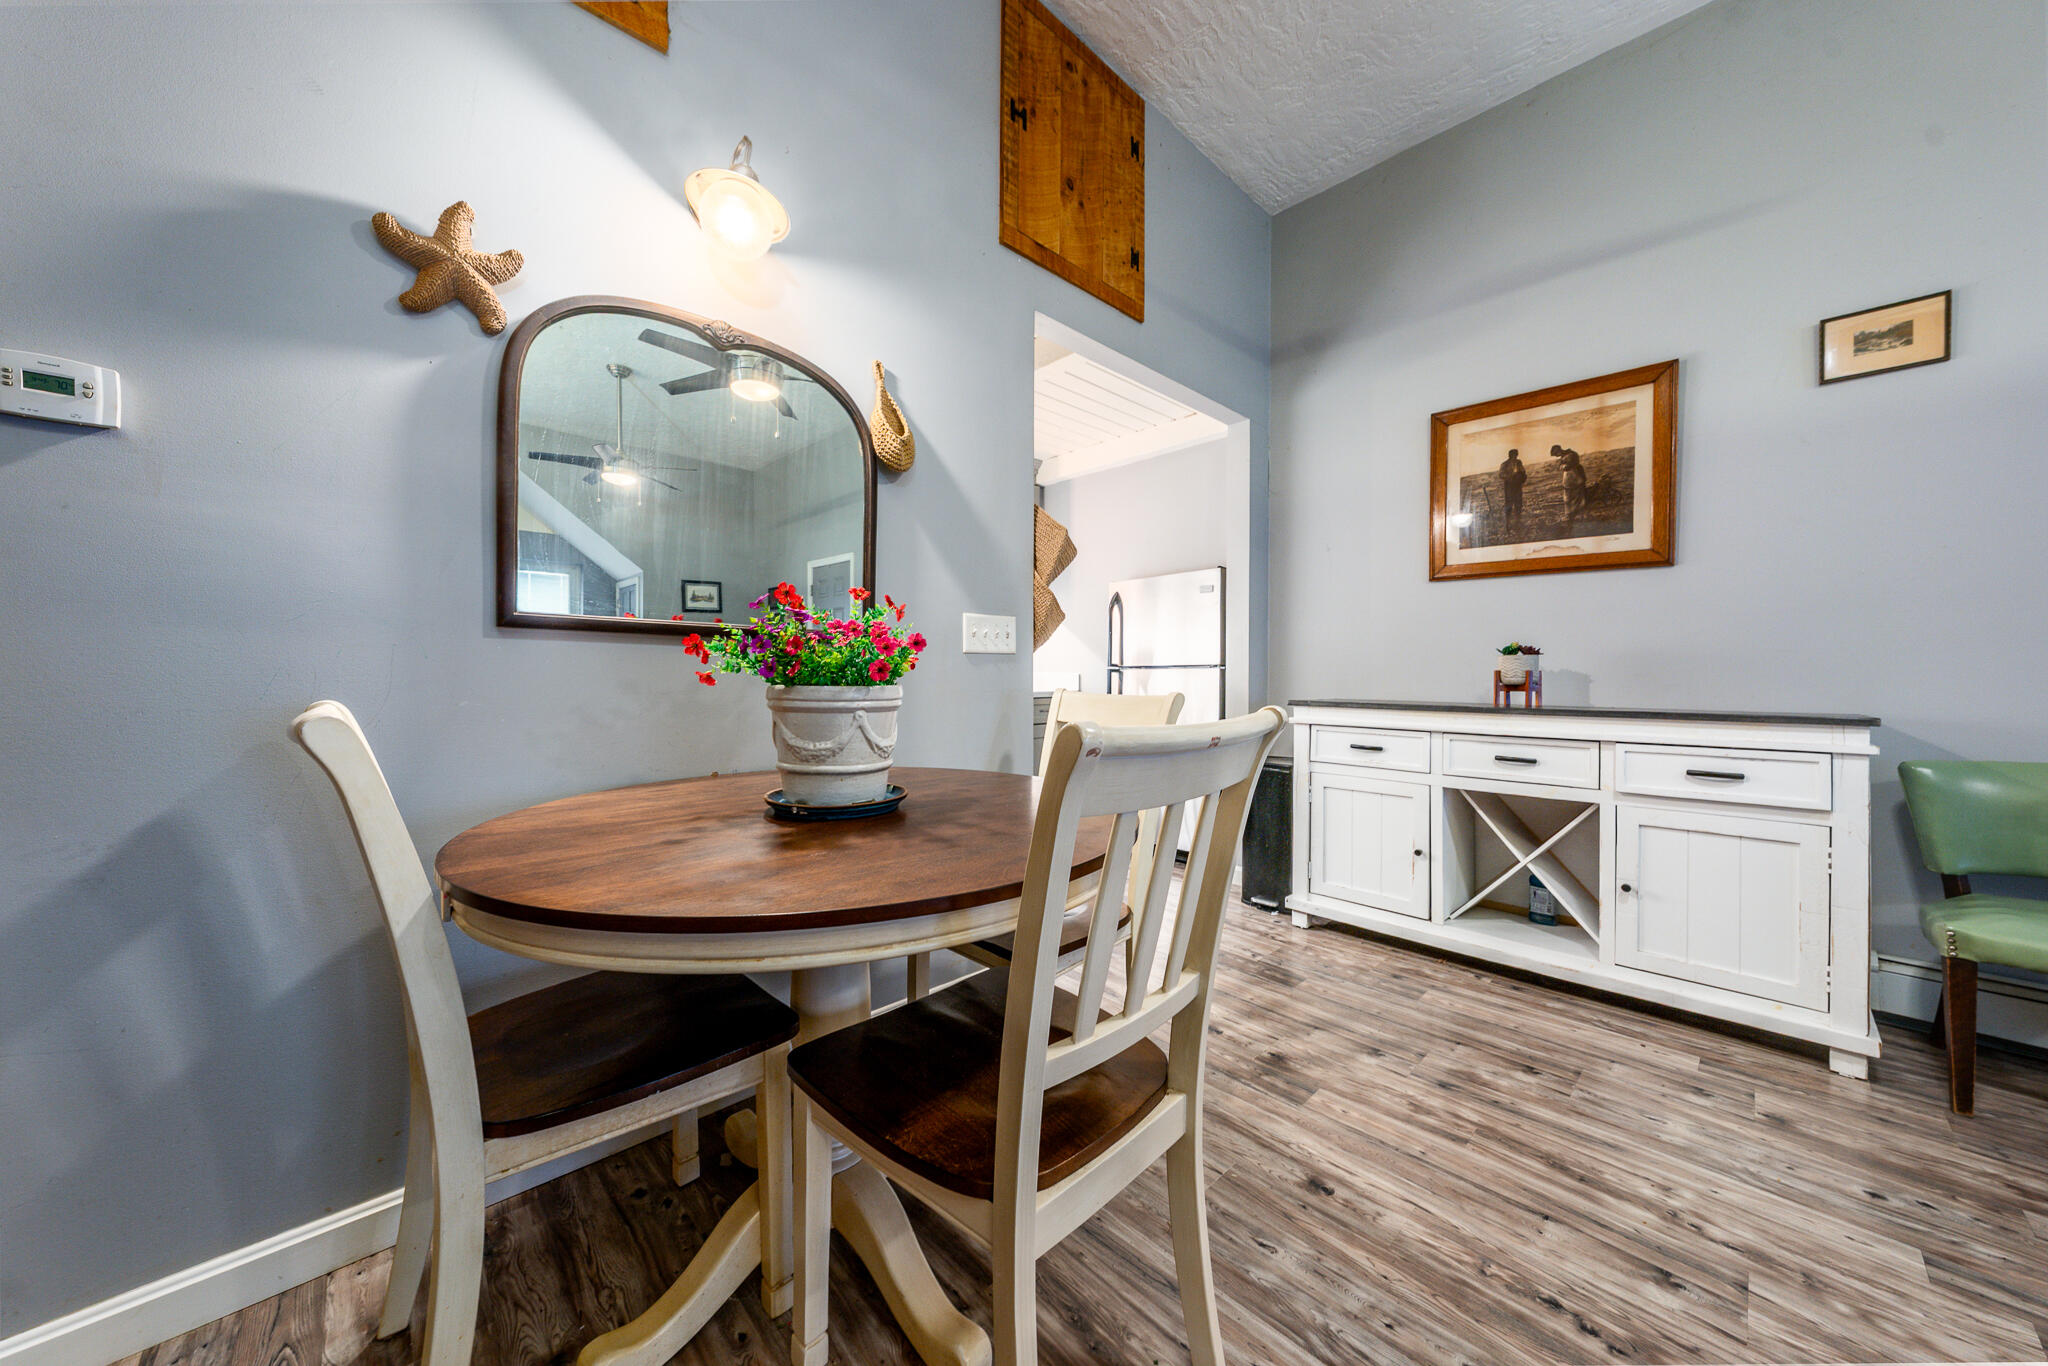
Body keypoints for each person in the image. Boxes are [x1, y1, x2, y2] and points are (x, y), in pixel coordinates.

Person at [1557, 445, 1588, 519]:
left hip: (1575, 477)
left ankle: (1581, 515)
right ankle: (1570, 514)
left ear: (1559, 451)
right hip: (1568, 480)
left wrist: (1564, 466)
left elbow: (1570, 465)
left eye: (1557, 454)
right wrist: (1562, 466)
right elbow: (1560, 467)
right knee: (1568, 498)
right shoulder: (1563, 457)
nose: (1557, 456)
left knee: (1579, 498)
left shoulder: (1571, 455)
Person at [1498, 448, 1527, 522]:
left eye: (1516, 454)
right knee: (1509, 504)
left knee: (1518, 503)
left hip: (1517, 485)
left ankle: (1518, 519)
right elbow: (1501, 474)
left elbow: (1523, 471)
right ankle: (1508, 521)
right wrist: (1510, 476)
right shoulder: (1504, 464)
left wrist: (1523, 477)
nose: (1515, 456)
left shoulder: (1519, 462)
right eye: (1514, 454)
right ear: (1510, 455)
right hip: (1509, 486)